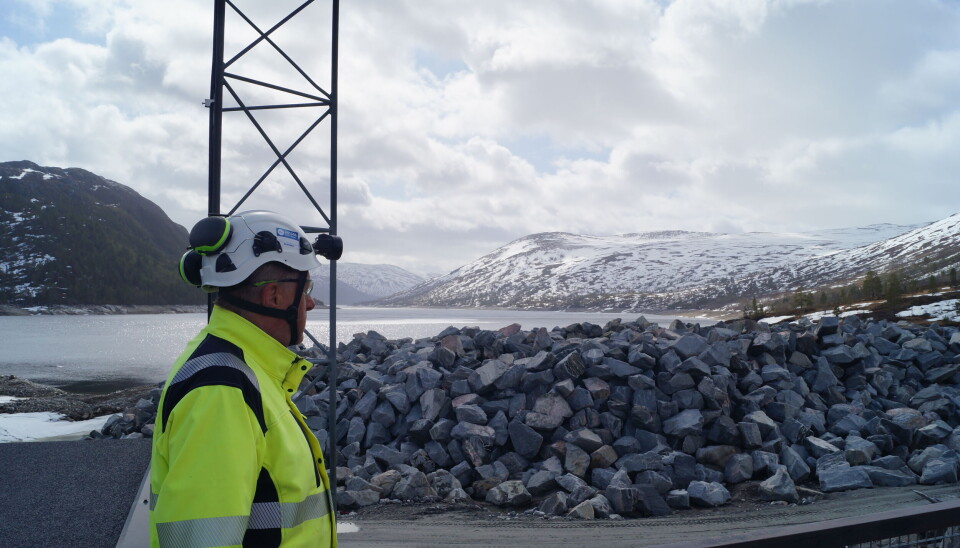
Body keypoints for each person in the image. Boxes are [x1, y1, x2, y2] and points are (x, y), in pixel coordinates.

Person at [150, 210, 337, 547]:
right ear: (275, 295)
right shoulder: (220, 392)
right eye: (305, 287)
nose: (309, 302)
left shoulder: (244, 369)